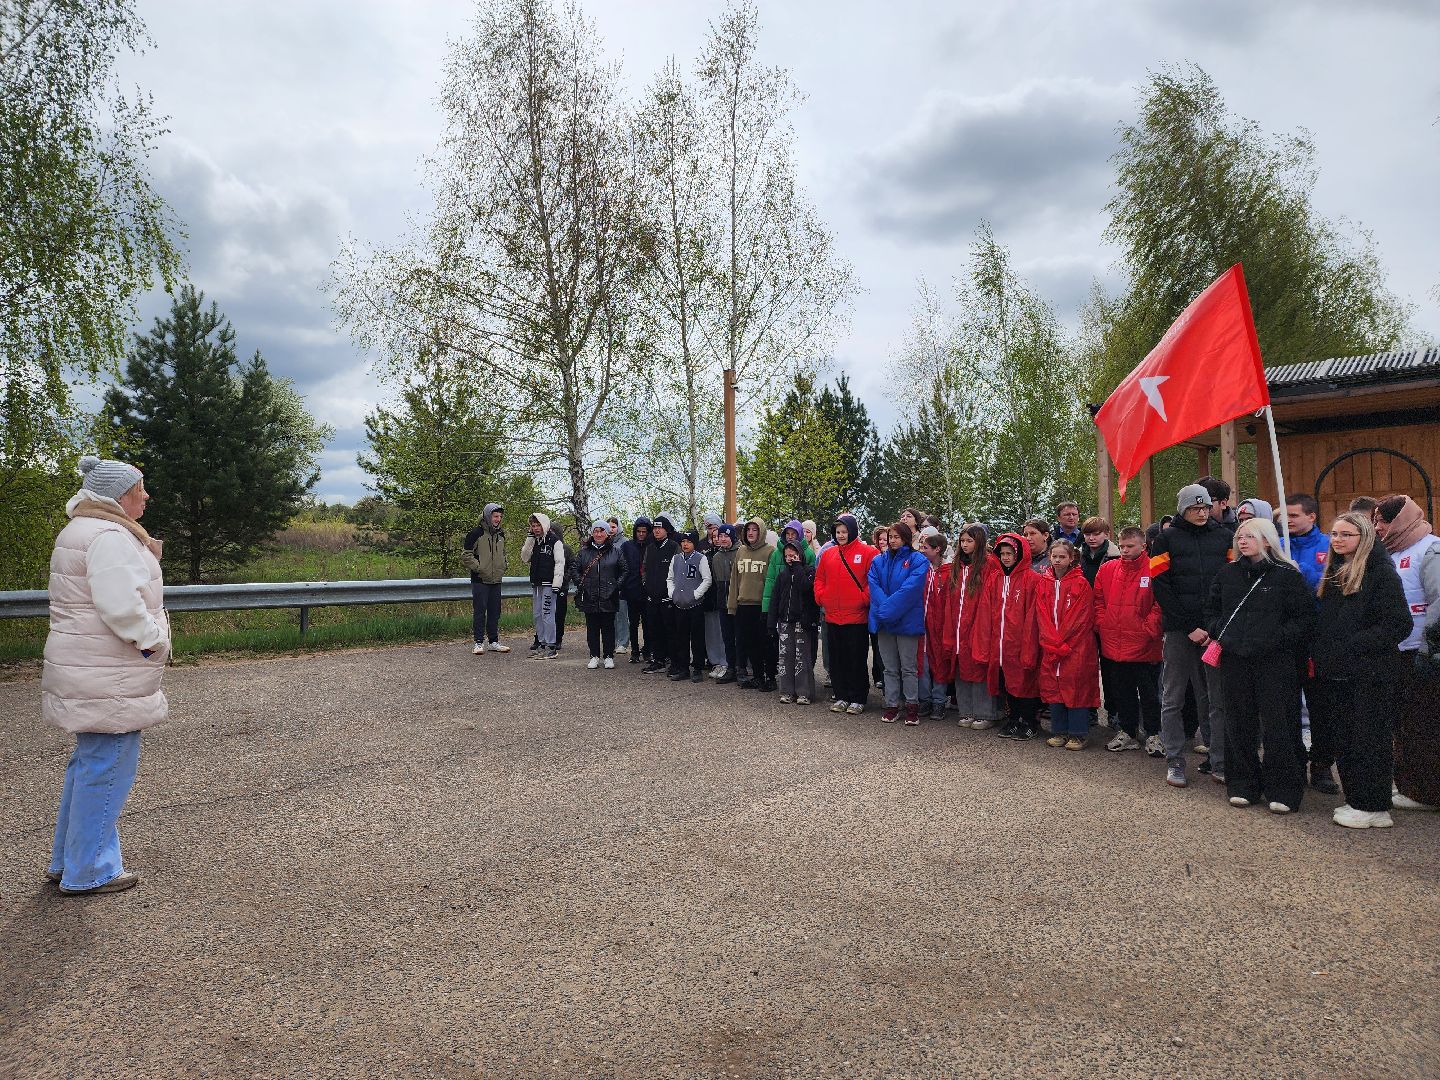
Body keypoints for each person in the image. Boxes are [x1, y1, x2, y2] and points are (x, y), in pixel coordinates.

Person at [42, 455, 170, 895]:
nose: (146, 496)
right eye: (140, 489)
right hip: (107, 670)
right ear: (119, 496)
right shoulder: (109, 536)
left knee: (90, 765)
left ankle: (68, 862)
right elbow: (120, 605)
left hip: (89, 667)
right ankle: (90, 870)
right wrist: (151, 638)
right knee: (107, 766)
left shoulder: (82, 529)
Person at [1308, 512, 1413, 829]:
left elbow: (1399, 623)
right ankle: (1357, 800)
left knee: (1370, 739)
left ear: (1363, 537)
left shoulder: (1381, 573)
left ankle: (1374, 805)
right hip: (1339, 673)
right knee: (1346, 738)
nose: (1337, 540)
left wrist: (1354, 643)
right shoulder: (1336, 573)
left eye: (1346, 535)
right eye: (1334, 534)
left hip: (1371, 673)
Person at [1203, 518, 1315, 814]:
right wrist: (1220, 630)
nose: (1242, 540)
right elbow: (1212, 609)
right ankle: (1243, 784)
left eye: (1250, 536)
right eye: (1240, 535)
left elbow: (1303, 618)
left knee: (1280, 724)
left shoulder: (1286, 575)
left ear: (1266, 540)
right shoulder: (1228, 573)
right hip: (1235, 659)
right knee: (1238, 723)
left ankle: (1284, 789)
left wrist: (1275, 639)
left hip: (1274, 662)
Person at [1151, 484, 1233, 788]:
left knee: (1215, 697)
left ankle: (1219, 760)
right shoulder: (1165, 539)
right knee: (1172, 696)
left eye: (1205, 508)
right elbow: (1162, 587)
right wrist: (1188, 627)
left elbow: (1231, 582)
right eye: (1194, 508)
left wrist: (1215, 626)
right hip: (1178, 631)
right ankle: (1174, 759)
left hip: (1214, 631)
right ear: (1183, 509)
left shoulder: (1225, 537)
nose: (1201, 513)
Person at [1372, 495, 1440, 811]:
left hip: (1423, 653)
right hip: (1395, 651)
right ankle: (1412, 785)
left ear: (1399, 521)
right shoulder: (1389, 552)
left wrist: (1431, 651)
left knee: (1423, 723)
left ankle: (1426, 792)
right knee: (1404, 723)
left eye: (1382, 521)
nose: (1377, 527)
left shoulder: (1430, 549)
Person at [1094, 526, 1164, 753]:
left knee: (1149, 692)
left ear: (1143, 546)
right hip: (1115, 643)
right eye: (1121, 546)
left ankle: (1154, 733)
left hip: (1144, 645)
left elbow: (1161, 603)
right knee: (1121, 691)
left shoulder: (1156, 569)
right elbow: (1099, 600)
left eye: (1129, 546)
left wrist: (1147, 629)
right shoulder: (1107, 569)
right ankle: (1127, 731)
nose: (1124, 550)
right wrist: (1104, 625)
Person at [1285, 493, 1334, 794]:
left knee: (1320, 705)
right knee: (1287, 703)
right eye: (1285, 515)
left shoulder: (1329, 545)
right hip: (1287, 638)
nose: (1288, 521)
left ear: (1311, 516)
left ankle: (1322, 764)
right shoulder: (1278, 544)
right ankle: (1293, 761)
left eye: (1294, 515)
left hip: (1318, 638)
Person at [977, 532, 1042, 740]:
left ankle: (1030, 720)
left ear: (1019, 554)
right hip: (1000, 642)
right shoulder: (995, 578)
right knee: (1006, 681)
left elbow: (1033, 615)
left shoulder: (1032, 579)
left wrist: (1028, 642)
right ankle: (1013, 719)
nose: (1005, 557)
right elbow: (986, 609)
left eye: (1010, 553)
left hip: (1021, 640)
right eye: (1002, 553)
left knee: (1026, 682)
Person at [1037, 539, 1099, 750]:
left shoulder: (1080, 584)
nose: (1057, 560)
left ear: (1071, 558)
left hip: (1075, 646)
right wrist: (1052, 641)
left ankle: (1078, 733)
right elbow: (1042, 614)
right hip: (1052, 646)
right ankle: (1059, 730)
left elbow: (1081, 617)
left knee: (1076, 687)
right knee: (1054, 687)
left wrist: (1061, 642)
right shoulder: (1043, 582)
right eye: (1054, 556)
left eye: (1062, 556)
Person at [814, 513, 878, 716]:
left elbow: (873, 580)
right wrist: (821, 597)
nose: (841, 535)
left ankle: (858, 697)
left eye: (844, 531)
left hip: (856, 616)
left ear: (853, 531)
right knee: (837, 659)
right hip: (832, 615)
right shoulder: (828, 553)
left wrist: (862, 599)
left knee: (856, 659)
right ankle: (841, 695)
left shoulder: (868, 552)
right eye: (838, 532)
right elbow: (819, 579)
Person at [868, 521, 931, 724]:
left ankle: (912, 706)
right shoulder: (878, 561)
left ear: (905, 538)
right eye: (890, 537)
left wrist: (886, 610)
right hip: (885, 623)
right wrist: (886, 611)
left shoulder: (918, 560)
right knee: (889, 668)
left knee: (908, 668)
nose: (892, 541)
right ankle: (892, 705)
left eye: (896, 537)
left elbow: (910, 590)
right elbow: (874, 585)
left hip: (906, 622)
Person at [947, 524, 1000, 729]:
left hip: (979, 622)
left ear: (979, 542)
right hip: (959, 624)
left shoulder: (988, 564)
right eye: (962, 541)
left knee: (979, 667)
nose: (965, 545)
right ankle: (966, 710)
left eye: (970, 541)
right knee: (961, 667)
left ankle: (985, 712)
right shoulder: (957, 565)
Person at [769, 540, 821, 704]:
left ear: (800, 555)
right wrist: (771, 622)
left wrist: (798, 568)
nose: (790, 558)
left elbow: (807, 588)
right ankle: (786, 691)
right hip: (785, 621)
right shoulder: (782, 575)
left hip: (802, 621)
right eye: (787, 556)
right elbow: (775, 599)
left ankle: (803, 692)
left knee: (802, 657)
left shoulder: (809, 571)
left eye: (793, 555)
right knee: (785, 656)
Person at [571, 519, 627, 669]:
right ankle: (594, 656)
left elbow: (624, 570)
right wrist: (581, 584)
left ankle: (609, 656)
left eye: (602, 530)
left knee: (609, 627)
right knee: (592, 628)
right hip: (590, 595)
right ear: (592, 533)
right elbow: (575, 569)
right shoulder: (584, 552)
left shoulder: (616, 551)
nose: (599, 533)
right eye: (596, 531)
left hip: (609, 595)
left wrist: (616, 586)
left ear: (607, 533)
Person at [729, 517, 776, 690]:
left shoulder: (770, 551)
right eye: (748, 530)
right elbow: (734, 579)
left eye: (754, 530)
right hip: (744, 605)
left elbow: (773, 581)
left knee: (766, 643)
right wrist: (732, 604)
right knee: (749, 643)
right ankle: (757, 676)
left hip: (761, 606)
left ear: (761, 532)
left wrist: (771, 607)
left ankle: (770, 677)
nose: (750, 533)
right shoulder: (741, 551)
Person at [461, 502, 510, 654]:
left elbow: (503, 554)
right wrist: (480, 568)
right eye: (495, 516)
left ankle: (494, 642)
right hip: (480, 580)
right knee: (480, 612)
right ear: (488, 516)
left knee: (495, 612)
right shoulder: (476, 533)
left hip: (496, 580)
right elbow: (465, 556)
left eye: (500, 517)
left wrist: (503, 565)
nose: (498, 519)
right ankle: (478, 643)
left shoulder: (501, 534)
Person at [666, 530, 711, 683]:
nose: (685, 544)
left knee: (697, 638)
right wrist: (672, 594)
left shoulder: (701, 558)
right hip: (679, 604)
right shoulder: (676, 559)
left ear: (694, 543)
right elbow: (670, 578)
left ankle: (697, 668)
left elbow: (707, 580)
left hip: (695, 605)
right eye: (683, 541)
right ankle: (683, 668)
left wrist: (696, 594)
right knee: (681, 637)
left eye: (689, 542)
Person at [917, 531, 953, 721]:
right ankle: (925, 699)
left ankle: (939, 701)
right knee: (922, 661)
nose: (922, 551)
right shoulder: (922, 569)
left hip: (941, 624)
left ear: (937, 549)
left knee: (940, 661)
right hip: (922, 622)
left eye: (926, 548)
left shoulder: (949, 571)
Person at [521, 512, 566, 660]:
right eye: (533, 526)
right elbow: (525, 557)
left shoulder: (555, 542)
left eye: (538, 525)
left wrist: (557, 584)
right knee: (537, 614)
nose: (536, 528)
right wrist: (529, 539)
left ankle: (551, 646)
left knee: (547, 613)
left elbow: (560, 563)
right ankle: (541, 643)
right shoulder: (534, 541)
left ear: (544, 525)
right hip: (537, 583)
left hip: (549, 584)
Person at [641, 514, 679, 674]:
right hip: (652, 598)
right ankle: (658, 660)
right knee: (653, 630)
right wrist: (646, 584)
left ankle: (674, 661)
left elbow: (678, 571)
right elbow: (644, 568)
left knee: (670, 631)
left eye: (660, 528)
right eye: (655, 528)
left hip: (668, 599)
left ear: (666, 530)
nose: (656, 531)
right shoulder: (649, 548)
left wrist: (673, 592)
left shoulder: (673, 547)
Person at [706, 523, 738, 683]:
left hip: (738, 602)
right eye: (720, 536)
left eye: (726, 536)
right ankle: (730, 667)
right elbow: (716, 580)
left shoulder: (740, 553)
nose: (723, 539)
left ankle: (742, 668)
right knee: (727, 636)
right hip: (722, 601)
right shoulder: (716, 557)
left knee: (740, 636)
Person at [620, 517, 650, 665]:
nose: (641, 534)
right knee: (632, 623)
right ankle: (635, 651)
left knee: (648, 623)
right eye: (638, 531)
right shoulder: (627, 546)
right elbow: (622, 567)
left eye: (644, 531)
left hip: (648, 591)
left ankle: (647, 650)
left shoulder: (651, 546)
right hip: (632, 589)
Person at [607, 517, 629, 652]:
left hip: (621, 584)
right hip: (607, 584)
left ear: (618, 527)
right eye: (609, 527)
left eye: (613, 527)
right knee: (610, 615)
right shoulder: (603, 542)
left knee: (621, 614)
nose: (611, 530)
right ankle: (614, 641)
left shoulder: (625, 543)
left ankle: (623, 642)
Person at [1077, 516, 1120, 586]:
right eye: (1087, 534)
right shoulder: (1076, 557)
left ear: (1106, 534)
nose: (1091, 538)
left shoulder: (1116, 557)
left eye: (1096, 534)